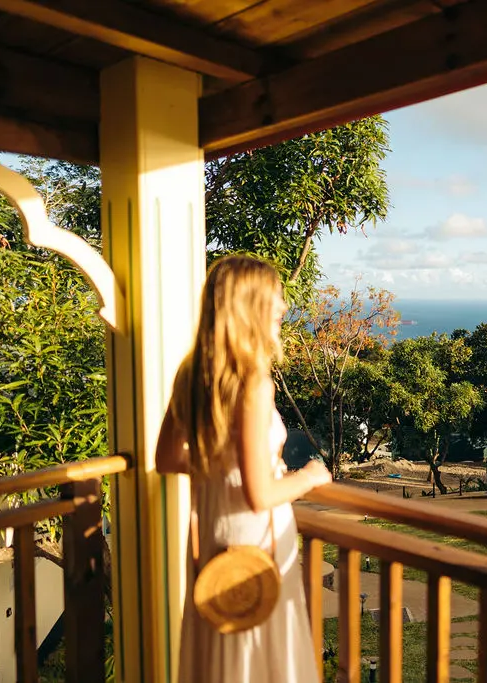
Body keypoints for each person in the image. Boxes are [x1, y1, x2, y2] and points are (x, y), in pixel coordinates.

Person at [156, 254, 331, 682]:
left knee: (222, 655)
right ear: (250, 306)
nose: (283, 309)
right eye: (275, 299)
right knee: (261, 659)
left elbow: (166, 458)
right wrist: (309, 475)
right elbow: (260, 495)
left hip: (215, 542)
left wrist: (221, 464)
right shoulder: (254, 382)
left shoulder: (192, 373)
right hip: (254, 543)